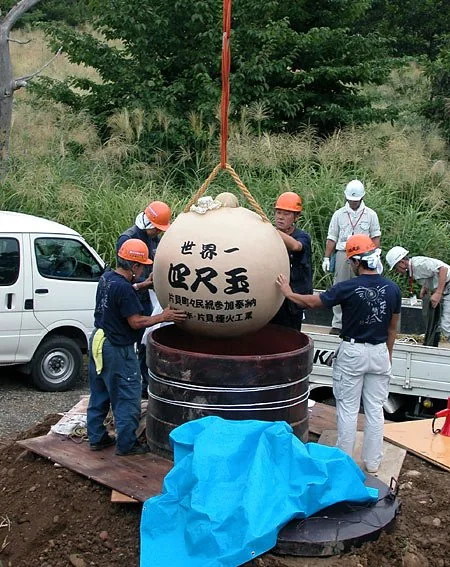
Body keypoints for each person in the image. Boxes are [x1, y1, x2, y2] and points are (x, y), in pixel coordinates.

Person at [277, 234, 401, 474]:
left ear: (356, 262)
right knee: (375, 409)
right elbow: (392, 328)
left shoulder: (348, 288)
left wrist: (288, 292)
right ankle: (373, 462)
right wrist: (388, 355)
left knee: (348, 408)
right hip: (379, 352)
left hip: (353, 351)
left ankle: (344, 460)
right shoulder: (392, 289)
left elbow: (313, 302)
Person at [87, 239, 186, 456]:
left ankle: (96, 437)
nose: (142, 271)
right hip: (116, 348)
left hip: (98, 340)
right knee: (127, 396)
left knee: (100, 392)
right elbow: (135, 322)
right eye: (141, 267)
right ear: (134, 266)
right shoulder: (123, 289)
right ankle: (127, 444)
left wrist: (143, 285)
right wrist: (164, 316)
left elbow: (125, 289)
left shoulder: (107, 278)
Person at [116, 201, 172, 397]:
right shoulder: (128, 239)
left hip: (150, 296)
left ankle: (148, 382)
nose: (158, 232)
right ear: (148, 224)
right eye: (156, 228)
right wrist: (145, 283)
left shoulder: (154, 239)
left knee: (148, 340)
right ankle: (142, 386)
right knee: (140, 341)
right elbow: (124, 275)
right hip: (136, 296)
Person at [322, 180, 381, 335]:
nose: (353, 203)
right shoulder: (339, 214)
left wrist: (375, 255)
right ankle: (338, 324)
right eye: (350, 200)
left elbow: (375, 237)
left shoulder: (371, 215)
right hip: (343, 254)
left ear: (362, 198)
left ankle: (360, 322)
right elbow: (332, 237)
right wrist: (327, 257)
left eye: (356, 200)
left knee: (363, 288)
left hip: (363, 256)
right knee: (339, 287)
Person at [386, 246, 450, 342]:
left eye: (396, 267)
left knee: (446, 325)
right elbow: (431, 274)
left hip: (448, 287)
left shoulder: (418, 264)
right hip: (447, 289)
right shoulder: (414, 268)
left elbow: (443, 269)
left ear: (402, 262)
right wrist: (426, 287)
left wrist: (438, 292)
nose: (397, 271)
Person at [271, 191, 312, 331]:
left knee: (290, 335)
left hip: (293, 298)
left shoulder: (303, 237)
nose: (281, 217)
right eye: (278, 213)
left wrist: (272, 231)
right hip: (273, 295)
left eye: (286, 214)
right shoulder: (269, 234)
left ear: (296, 216)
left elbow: (296, 246)